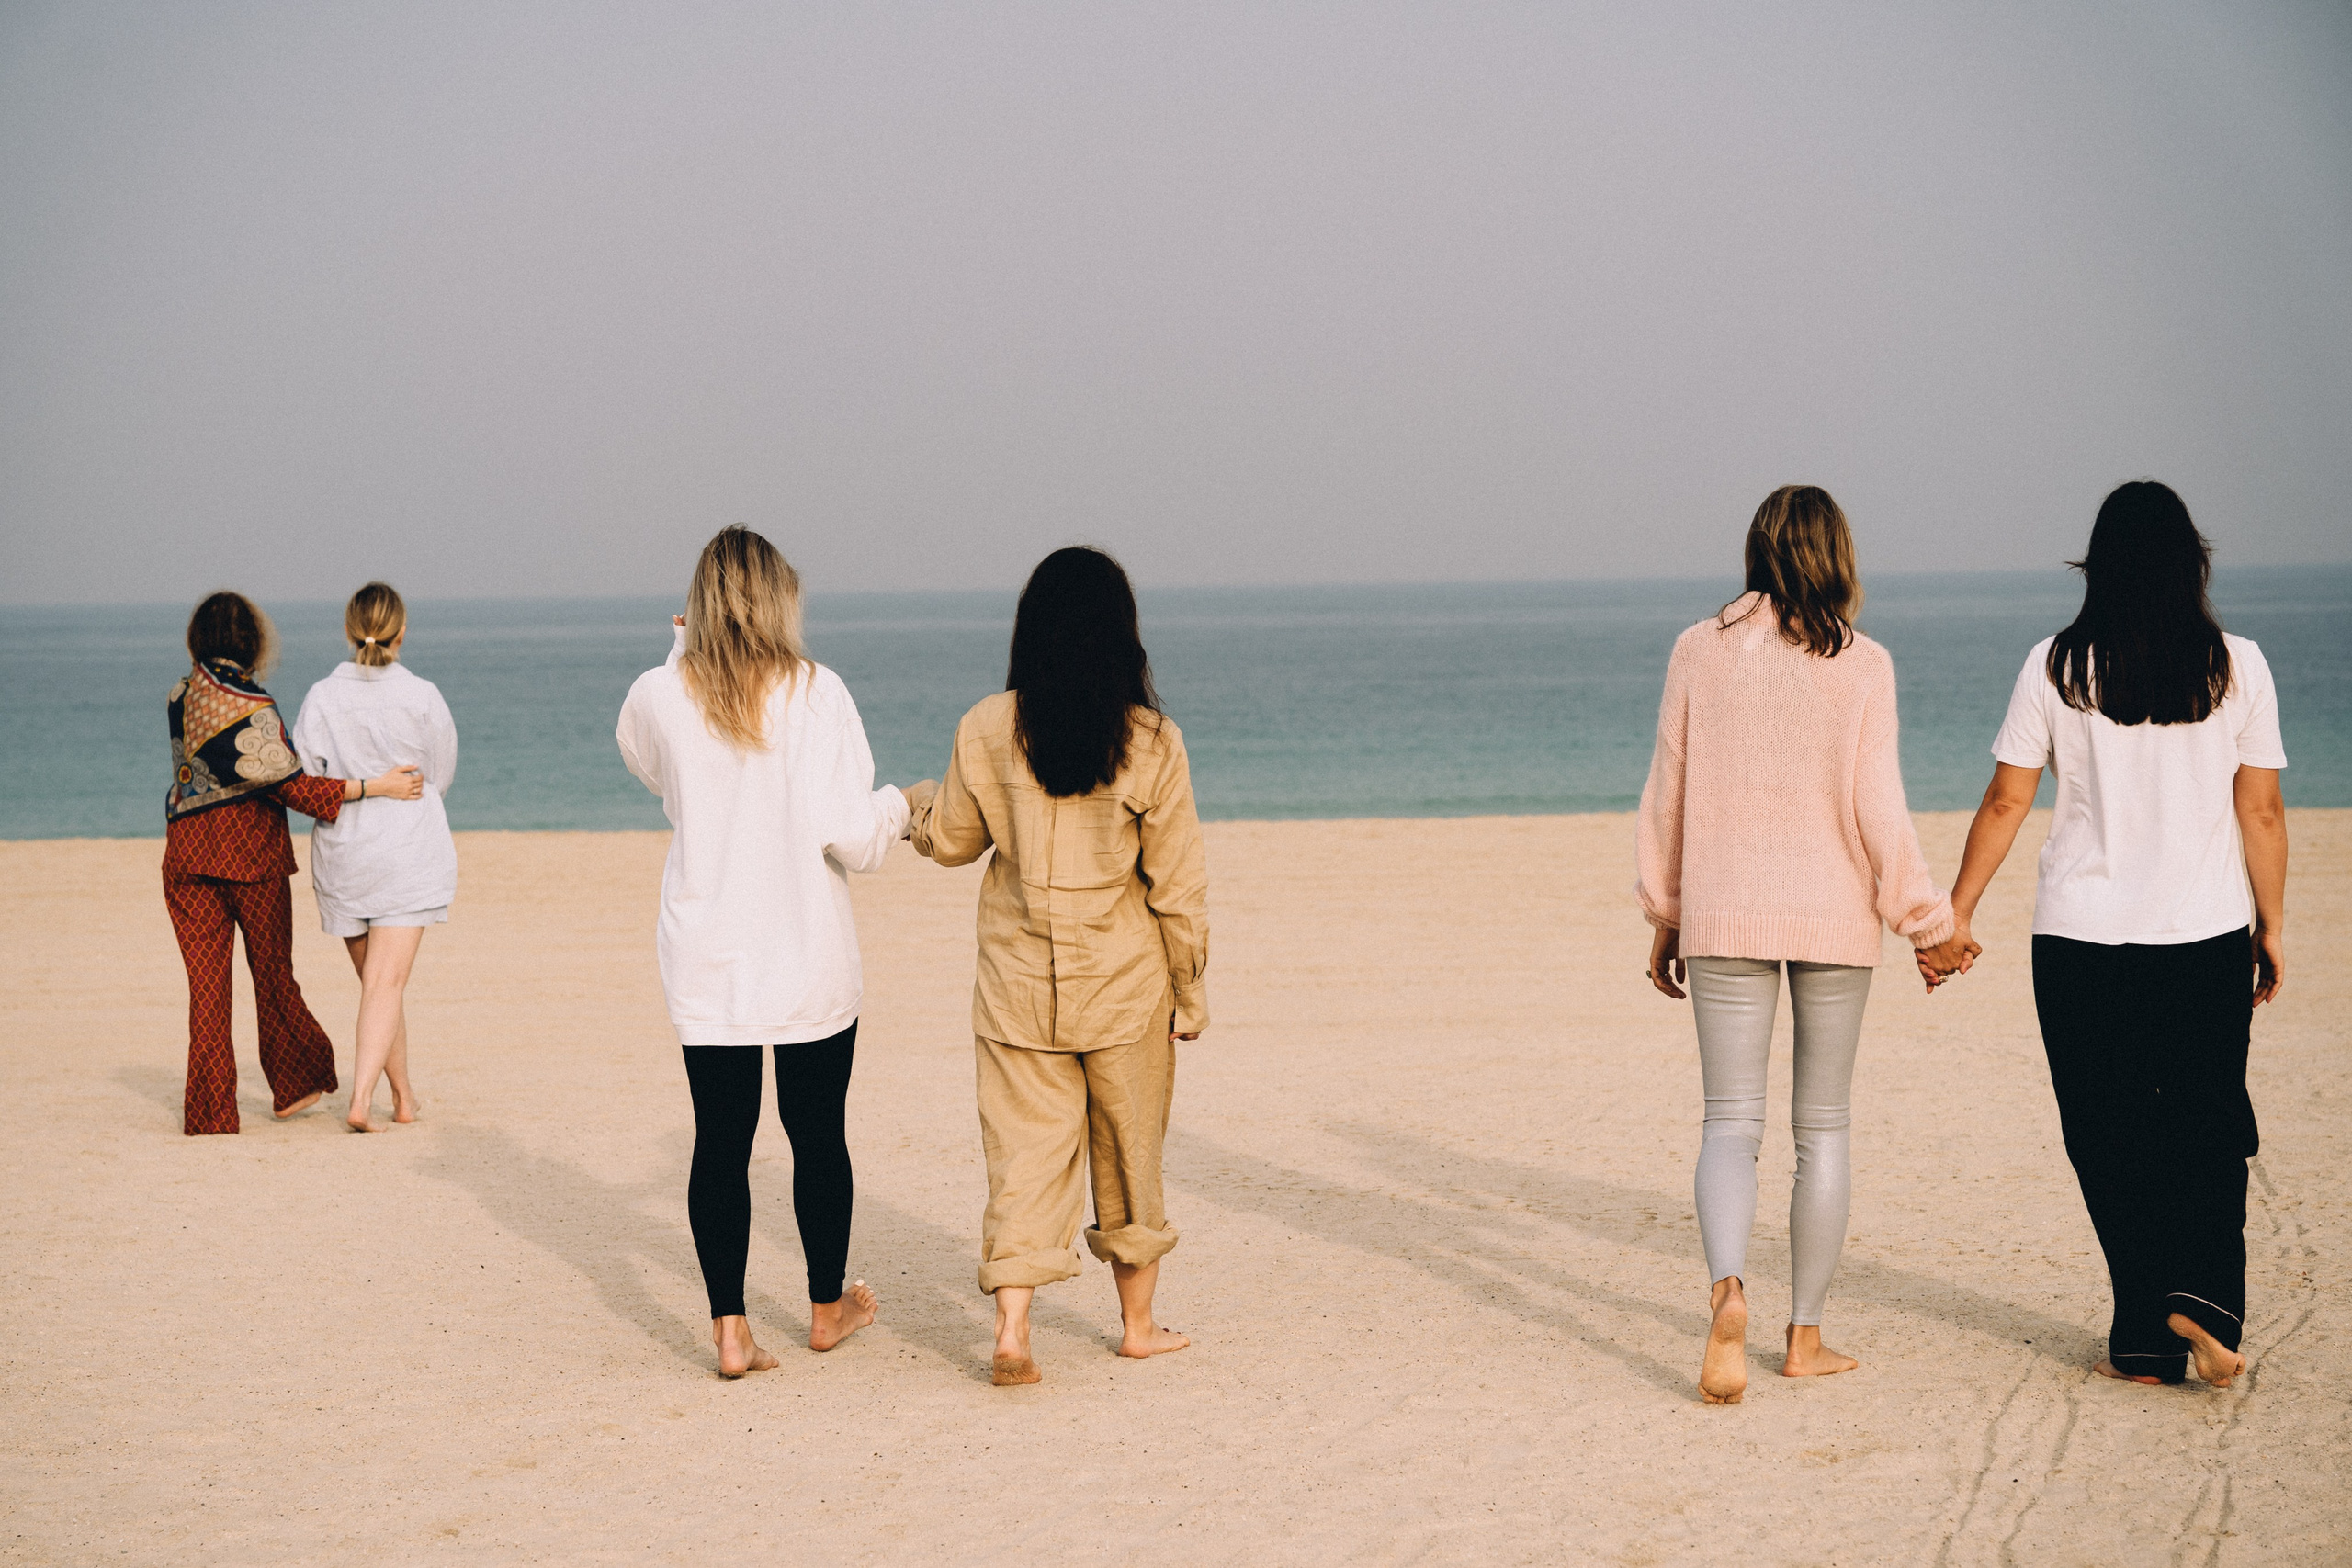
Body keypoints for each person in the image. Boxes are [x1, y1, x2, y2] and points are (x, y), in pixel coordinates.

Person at [1930, 481, 2285, 1390]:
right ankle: (2201, 1302)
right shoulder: (2237, 664)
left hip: (2080, 942)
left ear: (2099, 567)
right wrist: (2271, 923)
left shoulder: (2053, 665)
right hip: (2204, 934)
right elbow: (2263, 810)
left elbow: (2009, 798)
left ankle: (2140, 1338)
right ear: (2189, 563)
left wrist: (1957, 910)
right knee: (2207, 1126)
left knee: (2107, 1131)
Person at [1635, 485, 1972, 1405]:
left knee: (1728, 1121)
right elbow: (1878, 808)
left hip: (1723, 913)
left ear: (1756, 551)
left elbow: (1669, 788)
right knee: (1820, 1128)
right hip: (1832, 916)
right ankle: (1805, 1338)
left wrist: (1666, 911)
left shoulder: (1696, 651)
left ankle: (1727, 1290)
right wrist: (1926, 920)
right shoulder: (1863, 665)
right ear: (1838, 557)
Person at [617, 526, 925, 1378]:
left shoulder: (658, 690)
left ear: (701, 601)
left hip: (708, 952)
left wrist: (682, 648)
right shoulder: (817, 694)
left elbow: (655, 770)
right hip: (806, 951)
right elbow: (856, 840)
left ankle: (729, 1328)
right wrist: (900, 805)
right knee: (815, 1133)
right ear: (781, 597)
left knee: (720, 1141)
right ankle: (825, 1307)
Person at [909, 546, 1209, 1387]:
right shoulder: (1151, 739)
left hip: (1014, 991)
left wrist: (912, 808)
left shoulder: (986, 725)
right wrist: (1191, 988)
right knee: (1130, 1155)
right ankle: (1139, 1327)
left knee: (1023, 1157)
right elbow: (1177, 882)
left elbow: (955, 842)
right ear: (1124, 634)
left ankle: (1011, 1332)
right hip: (1125, 988)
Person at [164, 591, 424, 1136]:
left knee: (207, 992)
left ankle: (211, 1115)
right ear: (252, 642)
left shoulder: (180, 696)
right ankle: (293, 1086)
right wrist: (375, 787)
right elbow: (291, 786)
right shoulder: (252, 705)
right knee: (273, 977)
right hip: (250, 857)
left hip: (187, 856)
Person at [290, 582, 459, 1133]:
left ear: (348, 629)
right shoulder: (422, 695)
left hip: (344, 856)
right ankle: (361, 1101)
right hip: (406, 853)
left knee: (378, 986)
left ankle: (404, 1097)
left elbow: (308, 779)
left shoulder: (321, 696)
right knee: (385, 985)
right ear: (402, 631)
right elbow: (441, 773)